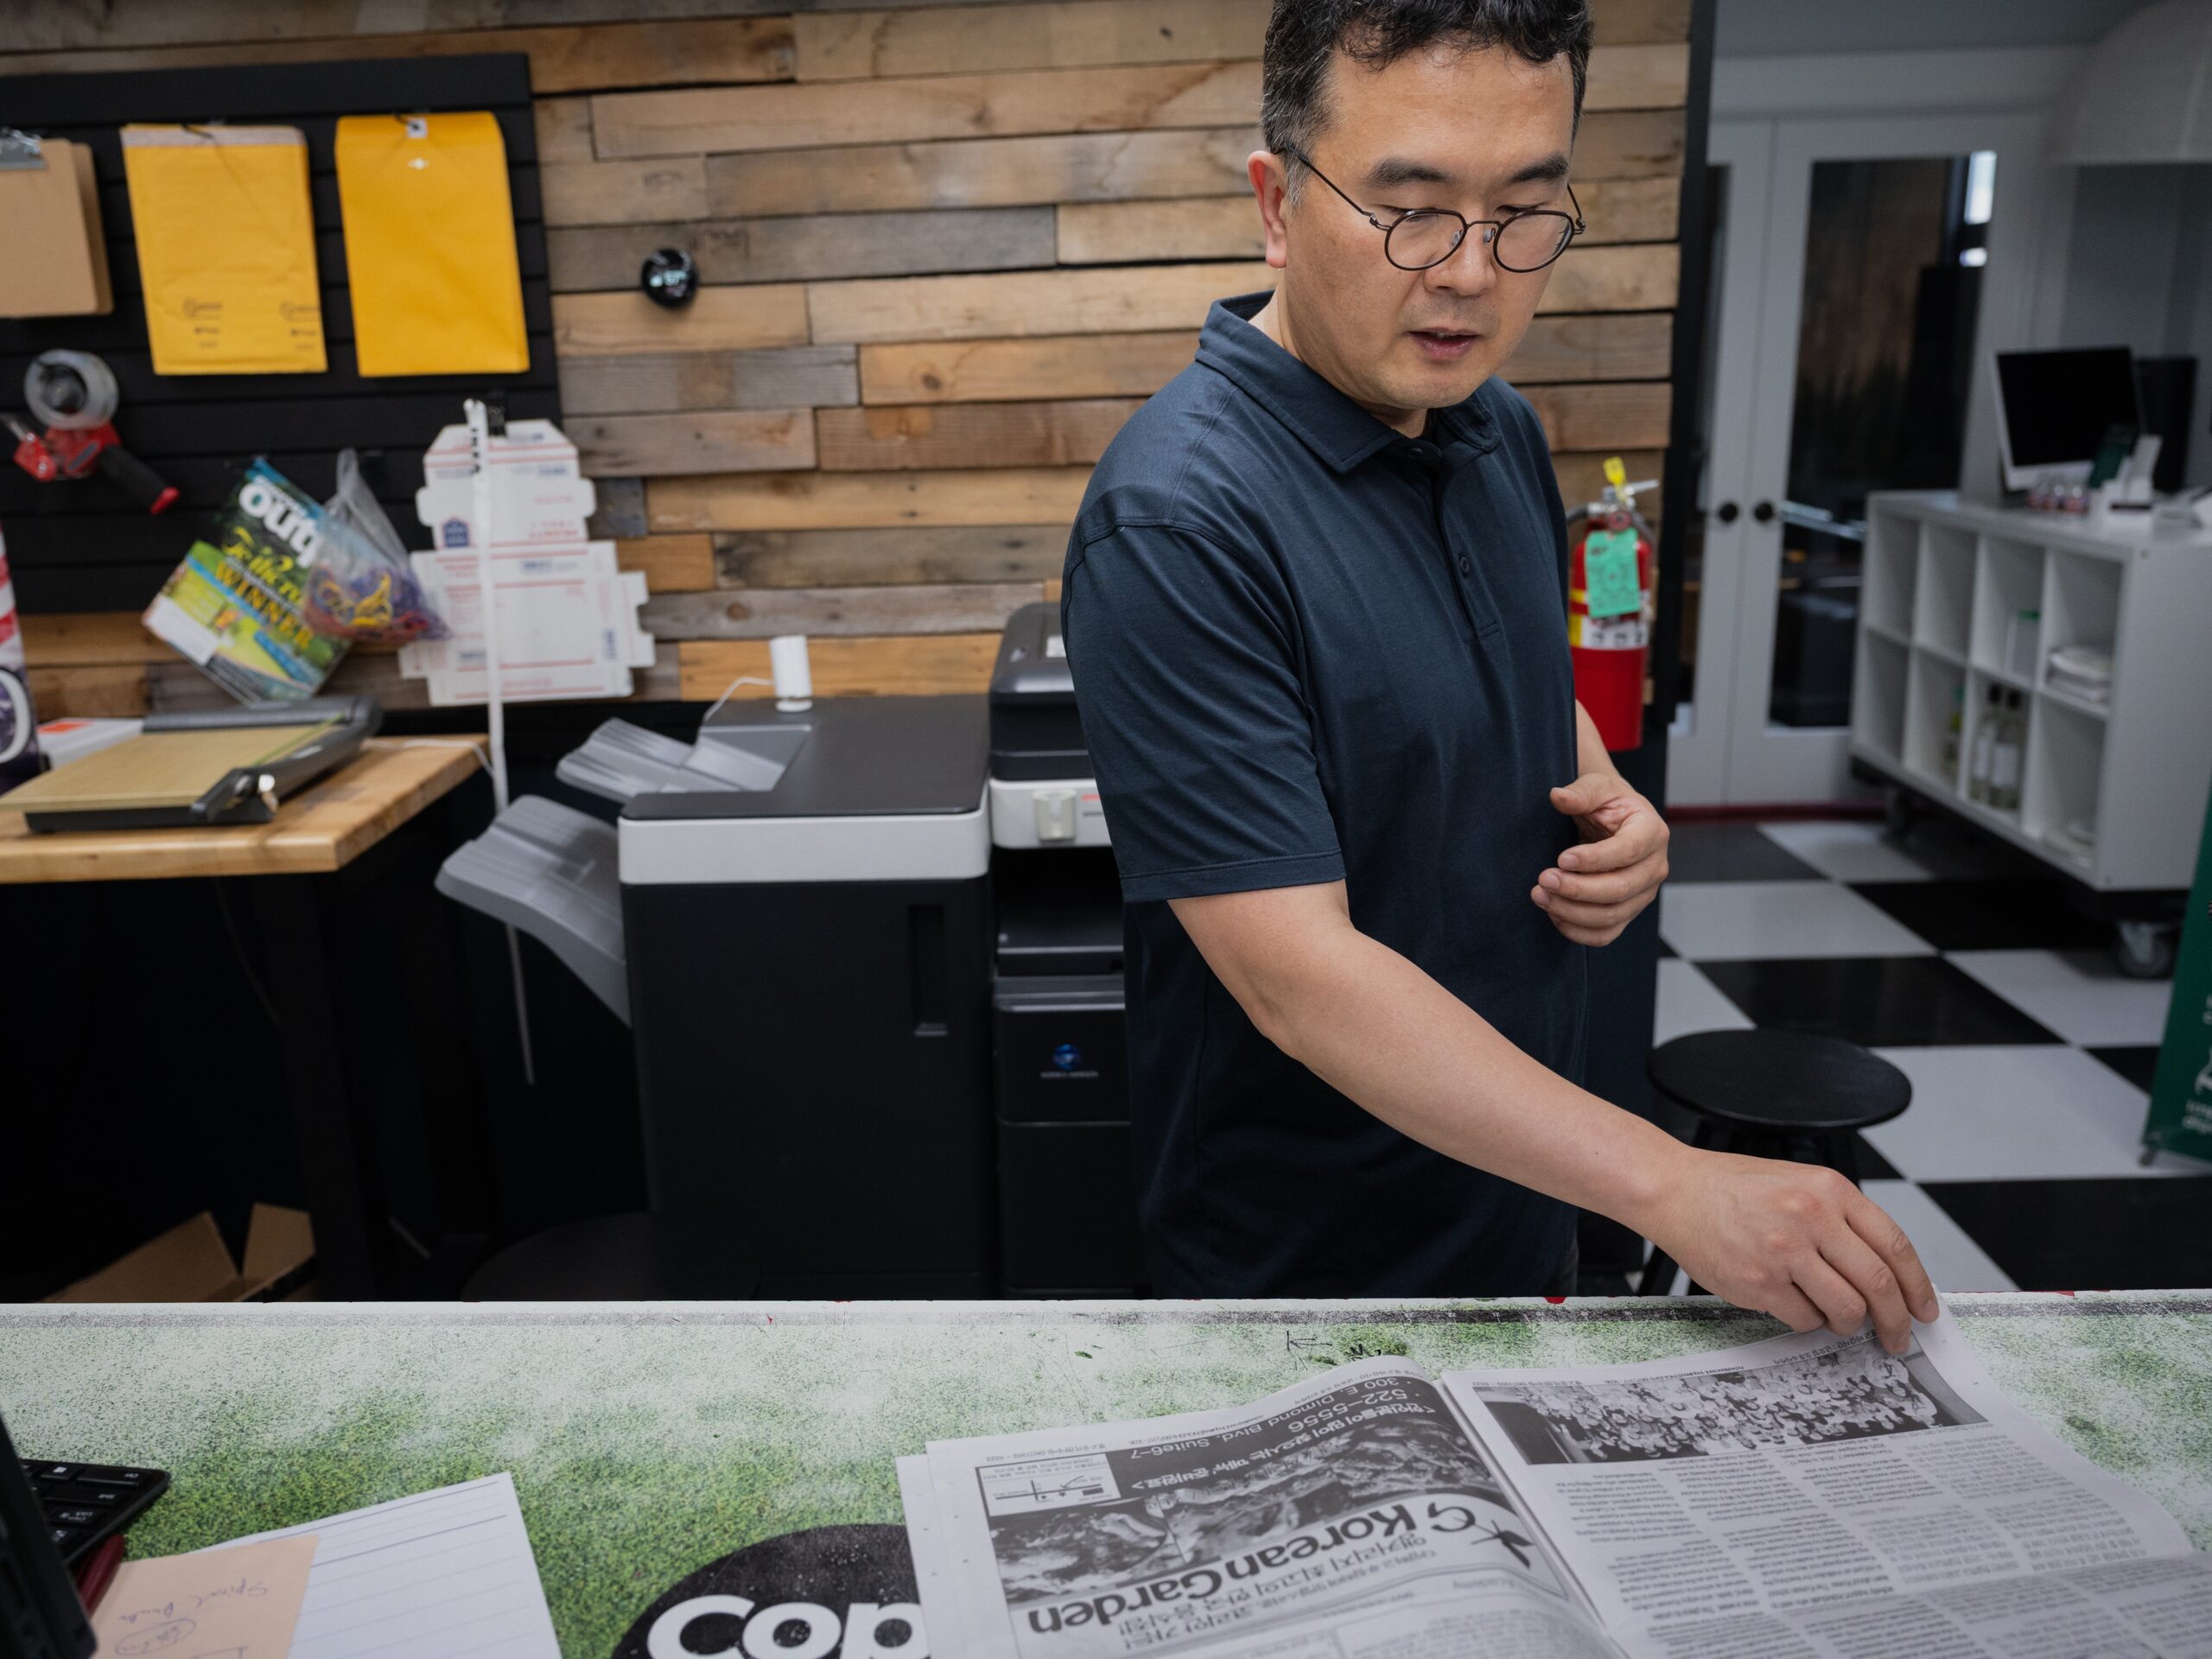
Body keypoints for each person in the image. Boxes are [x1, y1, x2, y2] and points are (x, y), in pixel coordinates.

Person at [1059, 0, 1938, 1352]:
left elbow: (1499, 670)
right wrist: (1674, 1180)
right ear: (1277, 206)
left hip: (1527, 1192)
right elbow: (1298, 974)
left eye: (1527, 211)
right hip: (1310, 1270)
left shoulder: (1492, 427)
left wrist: (1611, 797)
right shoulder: (1181, 517)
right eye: (1412, 210)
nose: (1471, 273)